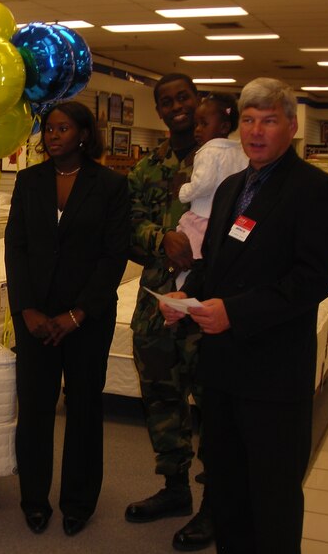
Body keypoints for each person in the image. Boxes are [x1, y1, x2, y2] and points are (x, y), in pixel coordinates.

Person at [159, 77, 328, 553]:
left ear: (292, 124)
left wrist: (235, 314)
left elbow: (311, 281)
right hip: (221, 372)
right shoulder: (229, 189)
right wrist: (185, 299)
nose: (256, 131)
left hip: (274, 374)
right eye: (248, 120)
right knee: (226, 489)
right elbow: (217, 265)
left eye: (268, 120)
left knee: (273, 497)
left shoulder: (316, 190)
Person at [4, 101, 130, 537]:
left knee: (84, 409)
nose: (53, 135)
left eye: (63, 128)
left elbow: (113, 255)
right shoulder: (29, 181)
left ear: (83, 134)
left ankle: (78, 501)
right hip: (35, 317)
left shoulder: (111, 185)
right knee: (35, 408)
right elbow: (15, 247)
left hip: (87, 318)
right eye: (49, 128)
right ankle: (34, 498)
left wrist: (78, 313)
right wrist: (26, 308)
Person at [125, 73, 214, 551]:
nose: (176, 107)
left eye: (183, 97)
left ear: (197, 101)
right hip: (158, 306)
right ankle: (175, 489)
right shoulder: (147, 168)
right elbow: (127, 227)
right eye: (166, 101)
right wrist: (163, 241)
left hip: (210, 306)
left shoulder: (225, 161)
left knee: (216, 404)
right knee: (161, 398)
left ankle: (215, 502)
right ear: (158, 110)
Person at [175, 92, 248, 285]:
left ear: (224, 127)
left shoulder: (208, 151)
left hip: (203, 218)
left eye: (204, 124)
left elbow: (202, 184)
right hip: (231, 220)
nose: (197, 130)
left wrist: (183, 191)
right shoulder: (241, 151)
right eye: (196, 124)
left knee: (189, 268)